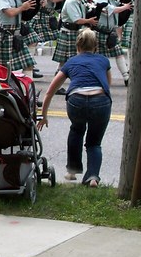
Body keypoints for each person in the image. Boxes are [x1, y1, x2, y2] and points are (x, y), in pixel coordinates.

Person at [38, 29, 111, 187]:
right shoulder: (104, 61)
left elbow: (50, 91)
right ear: (95, 47)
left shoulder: (71, 62)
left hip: (76, 100)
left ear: (77, 46)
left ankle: (72, 171)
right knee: (94, 142)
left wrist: (43, 115)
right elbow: (107, 85)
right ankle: (92, 177)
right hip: (100, 101)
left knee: (77, 131)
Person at [51, 0, 98, 92]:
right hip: (69, 32)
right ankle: (63, 85)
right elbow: (76, 20)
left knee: (66, 61)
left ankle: (58, 86)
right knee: (67, 61)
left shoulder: (79, 1)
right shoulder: (71, 2)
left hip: (74, 32)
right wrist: (89, 21)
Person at [91, 0, 131, 86]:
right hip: (100, 32)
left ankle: (126, 77)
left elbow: (118, 3)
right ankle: (97, 77)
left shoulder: (109, 0)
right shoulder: (98, 0)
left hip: (110, 32)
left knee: (119, 53)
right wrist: (125, 7)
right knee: (99, 56)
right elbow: (113, 10)